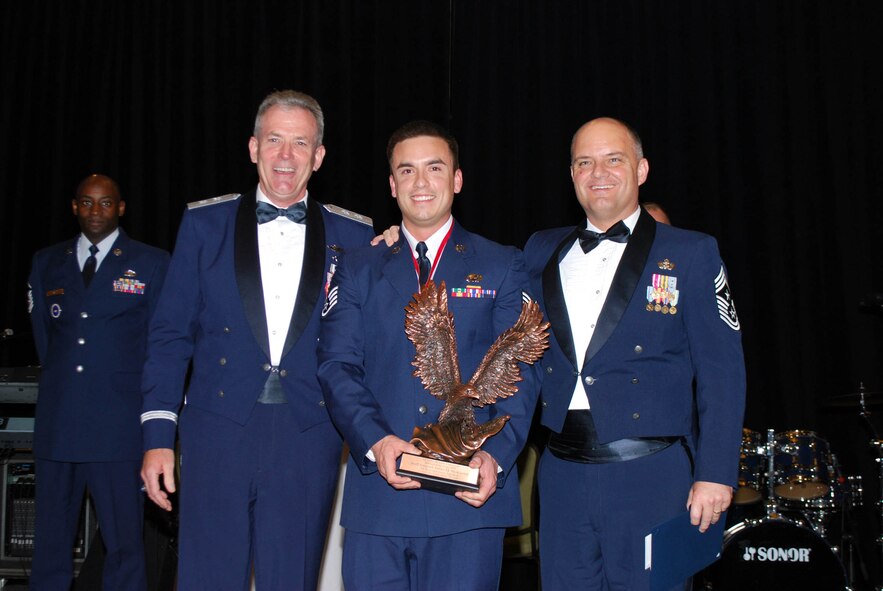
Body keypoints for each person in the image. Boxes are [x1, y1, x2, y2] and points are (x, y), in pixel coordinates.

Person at [139, 90, 376, 590]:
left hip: (308, 435)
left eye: (299, 143)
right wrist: (159, 437)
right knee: (207, 578)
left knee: (290, 580)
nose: (285, 156)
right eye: (274, 141)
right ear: (253, 148)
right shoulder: (205, 224)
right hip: (217, 430)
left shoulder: (355, 237)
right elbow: (169, 335)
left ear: (319, 156)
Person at [317, 120, 540, 590]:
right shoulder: (357, 267)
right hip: (380, 495)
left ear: (456, 180)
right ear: (392, 184)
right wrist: (376, 441)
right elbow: (338, 366)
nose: (421, 183)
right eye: (407, 170)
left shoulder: (502, 264)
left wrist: (495, 459)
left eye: (434, 168)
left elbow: (522, 371)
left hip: (467, 497)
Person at [523, 117, 745, 590]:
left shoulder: (691, 252)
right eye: (584, 162)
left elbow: (722, 372)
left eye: (613, 159)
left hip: (651, 475)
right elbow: (475, 270)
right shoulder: (540, 250)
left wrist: (716, 474)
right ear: (571, 174)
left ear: (641, 170)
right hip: (561, 474)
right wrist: (400, 239)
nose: (598, 172)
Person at [27, 174, 169, 590]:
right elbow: (44, 341)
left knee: (124, 544)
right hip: (59, 424)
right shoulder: (46, 262)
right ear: (74, 207)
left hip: (118, 428)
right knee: (51, 543)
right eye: (86, 203)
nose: (95, 211)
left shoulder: (150, 262)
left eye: (105, 203)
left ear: (120, 208)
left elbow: (159, 343)